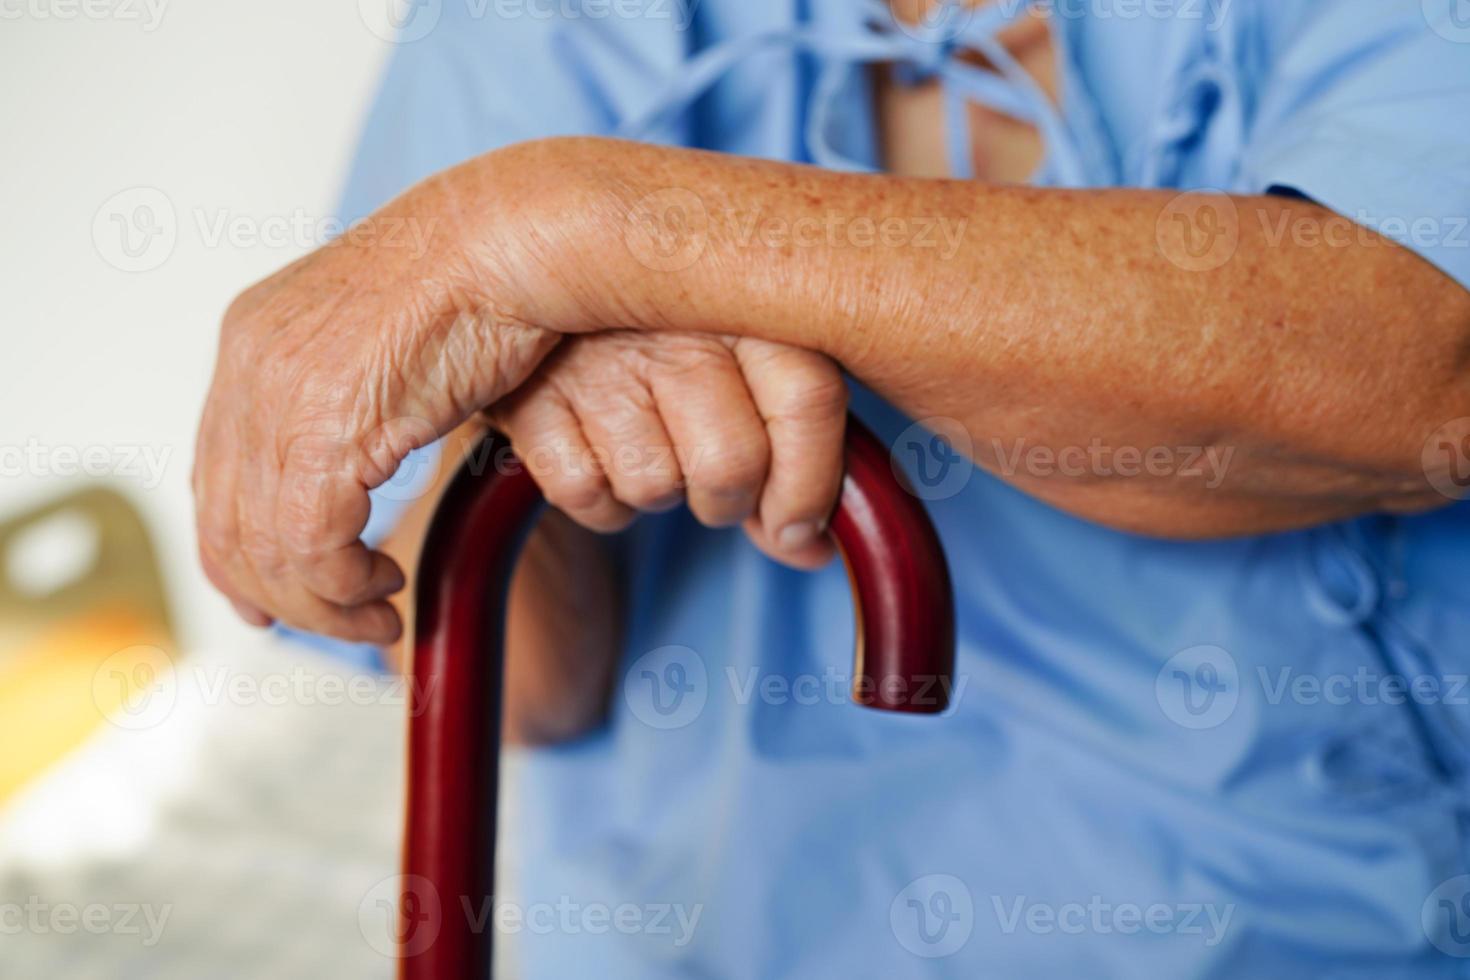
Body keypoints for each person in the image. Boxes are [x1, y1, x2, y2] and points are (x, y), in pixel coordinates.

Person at [193, 0, 1470, 975]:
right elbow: (518, 678)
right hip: (702, 936)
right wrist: (542, 406)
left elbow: (1417, 365)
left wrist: (593, 230)